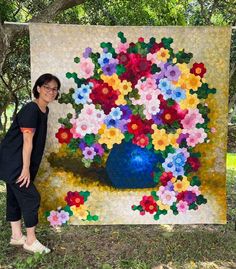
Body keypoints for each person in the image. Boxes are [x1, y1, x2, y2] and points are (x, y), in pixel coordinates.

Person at [0, 73, 61, 254]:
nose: (51, 91)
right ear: (38, 88)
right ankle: (30, 240)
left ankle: (17, 237)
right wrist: (25, 169)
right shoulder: (31, 109)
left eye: (54, 89)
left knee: (14, 196)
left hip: (15, 160)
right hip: (14, 161)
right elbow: (27, 141)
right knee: (31, 197)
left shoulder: (44, 110)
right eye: (47, 87)